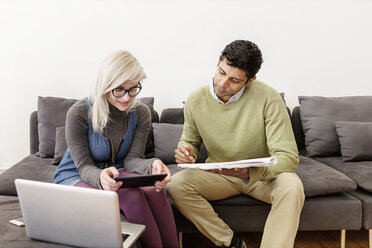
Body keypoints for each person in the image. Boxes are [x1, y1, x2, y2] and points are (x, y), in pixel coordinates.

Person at [167, 40, 305, 248]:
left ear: (249, 81)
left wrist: (252, 172)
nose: (223, 83)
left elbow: (288, 156)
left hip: (261, 176)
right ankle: (230, 242)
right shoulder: (196, 99)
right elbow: (190, 141)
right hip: (221, 174)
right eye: (221, 72)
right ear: (218, 62)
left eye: (234, 80)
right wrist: (186, 151)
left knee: (292, 186)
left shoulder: (269, 97)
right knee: (176, 185)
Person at [54, 50, 179, 248]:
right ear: (105, 86)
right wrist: (100, 177)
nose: (126, 98)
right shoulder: (79, 113)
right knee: (131, 195)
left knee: (155, 190)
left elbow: (133, 160)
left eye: (133, 89)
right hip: (76, 175)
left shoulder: (141, 113)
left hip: (117, 171)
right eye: (119, 90)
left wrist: (153, 164)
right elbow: (84, 166)